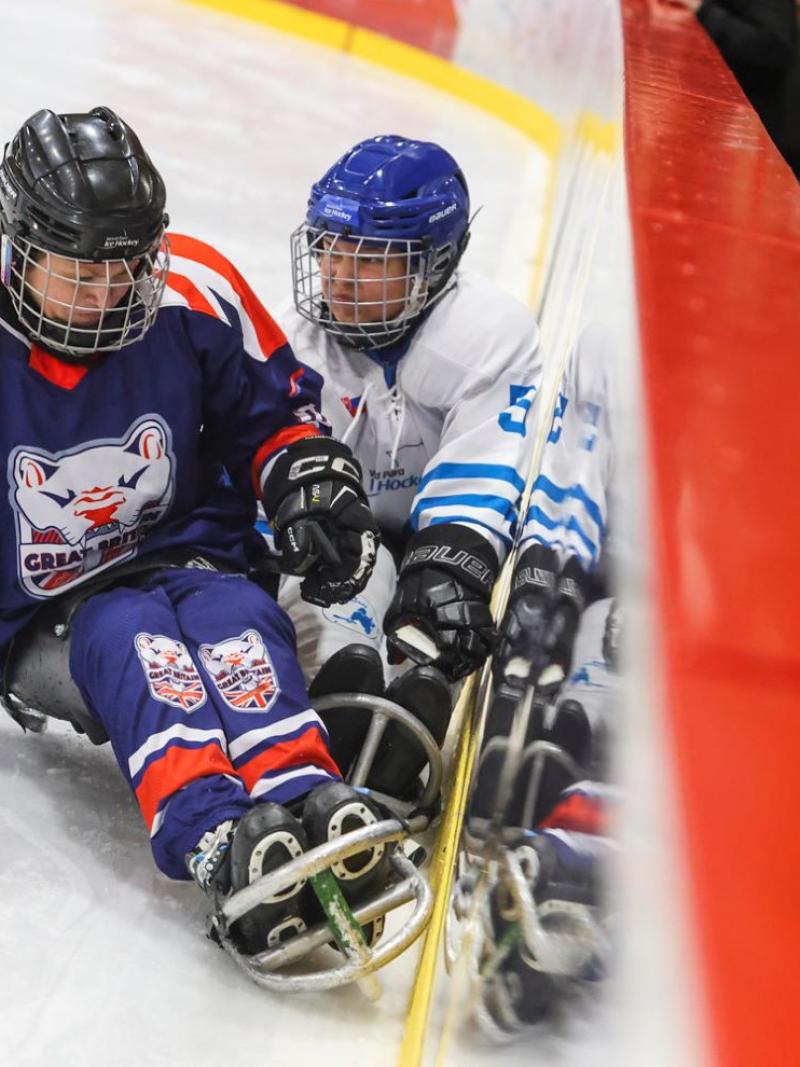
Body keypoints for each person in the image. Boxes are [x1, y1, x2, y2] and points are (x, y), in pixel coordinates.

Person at [0, 106, 391, 961]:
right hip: (47, 615)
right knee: (135, 640)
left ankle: (308, 793)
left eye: (127, 267)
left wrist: (308, 488)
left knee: (239, 622)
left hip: (192, 552)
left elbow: (277, 413)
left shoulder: (192, 291)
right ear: (20, 250)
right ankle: (218, 839)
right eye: (79, 272)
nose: (109, 295)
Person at [276, 134, 543, 794]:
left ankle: (406, 714)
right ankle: (342, 710)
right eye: (329, 246)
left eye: (367, 256)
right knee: (328, 591)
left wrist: (448, 568)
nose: (337, 274)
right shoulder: (296, 346)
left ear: (435, 261)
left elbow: (483, 471)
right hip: (350, 537)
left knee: (441, 616)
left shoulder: (485, 333)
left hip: (431, 540)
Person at [463, 322, 621, 1035]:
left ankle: (600, 866)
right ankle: (582, 844)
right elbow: (580, 457)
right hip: (662, 595)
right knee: (604, 689)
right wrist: (550, 569)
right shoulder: (625, 340)